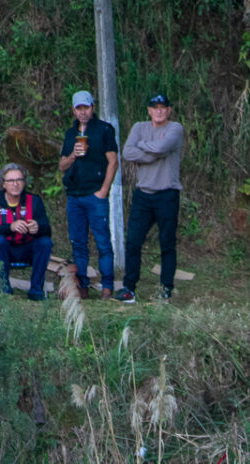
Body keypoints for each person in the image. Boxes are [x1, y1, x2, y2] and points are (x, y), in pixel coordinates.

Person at [114, 93, 184, 304]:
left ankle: (165, 289)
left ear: (169, 110)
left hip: (167, 193)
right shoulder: (139, 127)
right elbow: (127, 152)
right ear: (149, 110)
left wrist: (142, 147)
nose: (159, 110)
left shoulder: (175, 128)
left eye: (163, 107)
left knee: (167, 244)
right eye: (155, 107)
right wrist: (152, 152)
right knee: (133, 241)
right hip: (143, 194)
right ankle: (129, 289)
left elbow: (163, 148)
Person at [59, 90, 119, 299]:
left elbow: (113, 161)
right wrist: (73, 155)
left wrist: (103, 191)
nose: (83, 112)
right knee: (78, 242)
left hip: (95, 195)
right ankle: (82, 285)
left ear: (93, 107)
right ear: (73, 110)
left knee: (103, 241)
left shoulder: (104, 130)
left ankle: (107, 287)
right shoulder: (70, 133)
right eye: (79, 108)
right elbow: (61, 165)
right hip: (74, 195)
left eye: (86, 107)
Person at [0, 164, 53, 301]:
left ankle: (36, 290)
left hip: (28, 248)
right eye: (11, 181)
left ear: (24, 182)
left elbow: (47, 229)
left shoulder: (35, 201)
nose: (15, 184)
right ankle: (5, 290)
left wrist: (38, 227)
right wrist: (10, 227)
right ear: (3, 184)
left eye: (19, 180)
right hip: (4, 250)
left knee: (45, 242)